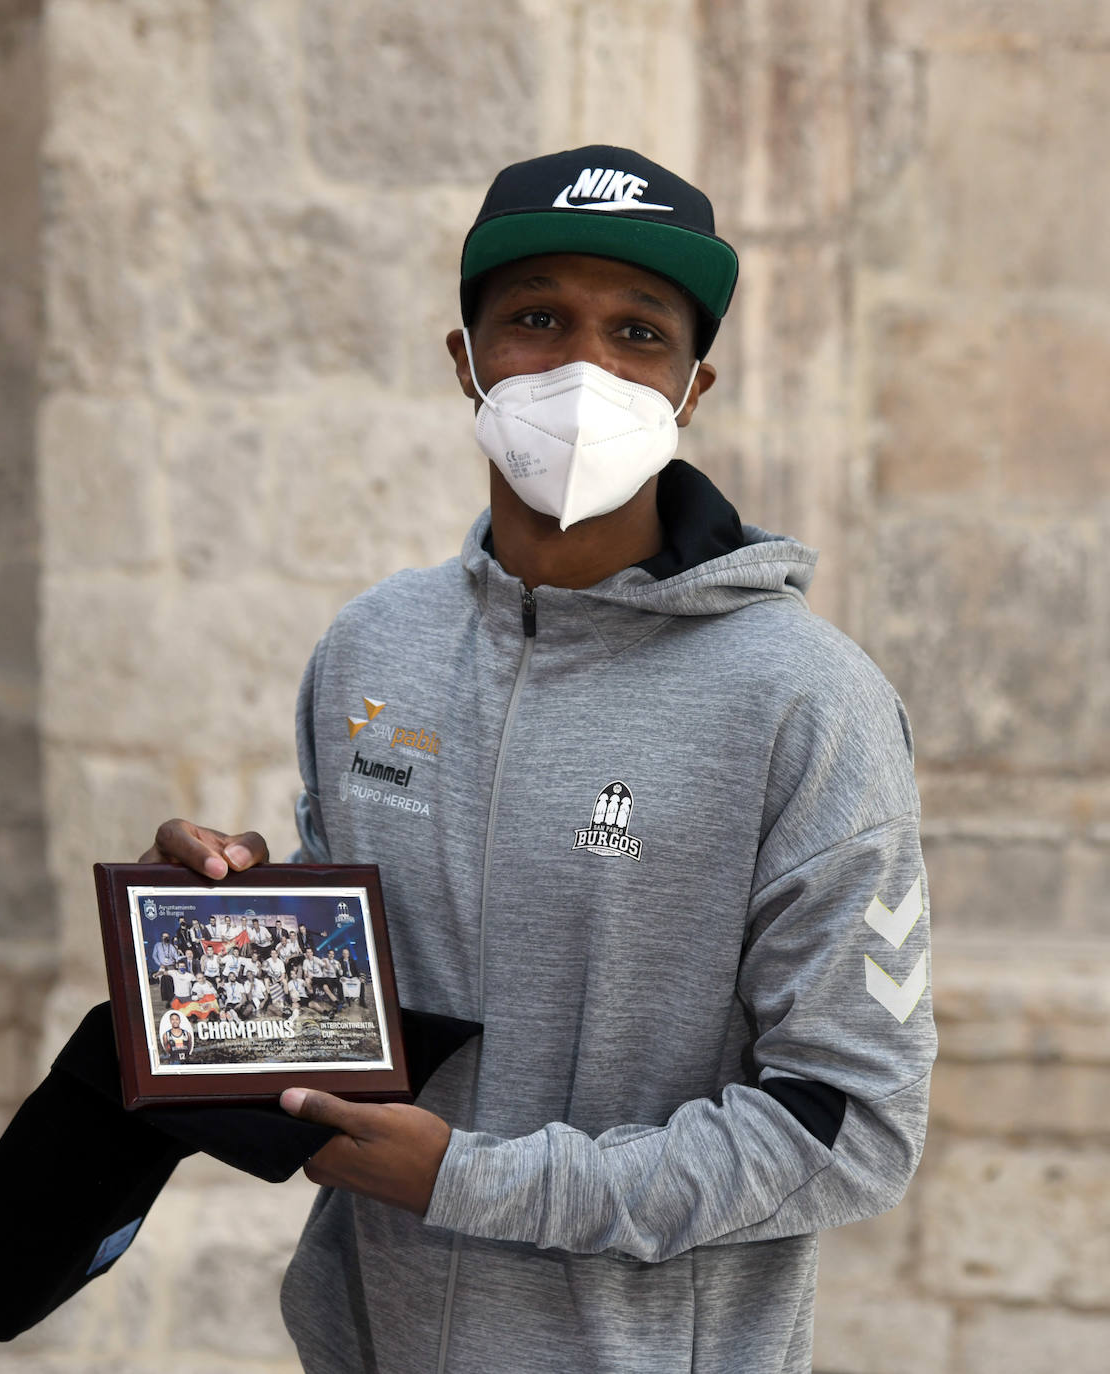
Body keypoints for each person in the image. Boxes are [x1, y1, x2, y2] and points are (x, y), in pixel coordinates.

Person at [139, 145, 935, 1373]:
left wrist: (477, 1183)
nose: (583, 366)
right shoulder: (371, 649)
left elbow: (851, 1124)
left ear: (691, 385)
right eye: (535, 318)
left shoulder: (803, 700)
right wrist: (223, 925)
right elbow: (359, 999)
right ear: (463, 357)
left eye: (636, 333)